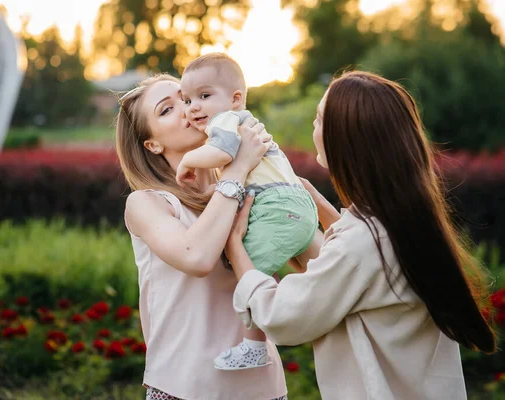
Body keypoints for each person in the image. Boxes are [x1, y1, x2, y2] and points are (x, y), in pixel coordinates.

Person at [225, 71, 496, 400]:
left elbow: (284, 316)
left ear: (347, 142)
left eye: (321, 119)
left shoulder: (362, 244)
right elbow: (351, 267)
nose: (314, 126)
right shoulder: (402, 221)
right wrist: (318, 207)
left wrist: (236, 247)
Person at [116, 73, 288, 400]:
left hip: (262, 388)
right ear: (152, 144)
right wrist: (236, 169)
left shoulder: (249, 191)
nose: (188, 109)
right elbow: (197, 257)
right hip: (185, 386)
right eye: (167, 110)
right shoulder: (148, 203)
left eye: (188, 98)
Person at [177, 53, 319, 371]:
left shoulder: (227, 121)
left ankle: (255, 345)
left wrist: (188, 161)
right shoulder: (243, 124)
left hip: (277, 207)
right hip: (289, 206)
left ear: (236, 98)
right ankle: (294, 314)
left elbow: (221, 152)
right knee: (273, 269)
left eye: (204, 96)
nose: (193, 108)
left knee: (249, 269)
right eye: (187, 100)